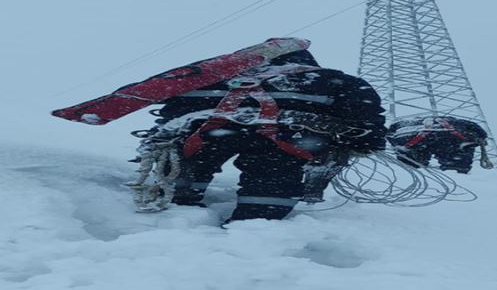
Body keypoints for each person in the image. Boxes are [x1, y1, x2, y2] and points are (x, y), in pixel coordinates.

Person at [140, 38, 386, 223]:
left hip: (204, 135)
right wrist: (360, 144)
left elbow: (171, 117)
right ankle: (256, 227)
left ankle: (175, 215)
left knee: (185, 171)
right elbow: (367, 124)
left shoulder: (204, 79)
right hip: (284, 141)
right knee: (271, 184)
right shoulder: (338, 81)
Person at [387, 116, 488, 174]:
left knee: (410, 170)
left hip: (418, 137)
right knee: (457, 170)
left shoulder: (398, 135)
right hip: (455, 134)